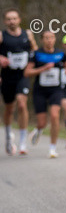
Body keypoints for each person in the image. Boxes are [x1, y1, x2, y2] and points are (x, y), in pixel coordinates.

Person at [1, 9, 37, 155]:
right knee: (9, 108)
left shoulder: (27, 34)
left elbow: (35, 50)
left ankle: (22, 142)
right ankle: (8, 137)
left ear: (19, 20)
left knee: (22, 104)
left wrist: (32, 64)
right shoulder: (2, 36)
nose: (12, 21)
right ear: (5, 21)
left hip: (23, 75)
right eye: (9, 19)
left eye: (14, 18)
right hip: (7, 76)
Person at [25, 31, 65, 159]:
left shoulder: (60, 54)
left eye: (51, 37)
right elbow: (27, 72)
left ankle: (52, 148)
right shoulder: (36, 54)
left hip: (56, 90)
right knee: (42, 123)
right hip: (40, 91)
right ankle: (38, 129)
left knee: (54, 115)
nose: (49, 40)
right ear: (42, 40)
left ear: (55, 39)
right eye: (46, 38)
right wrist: (43, 69)